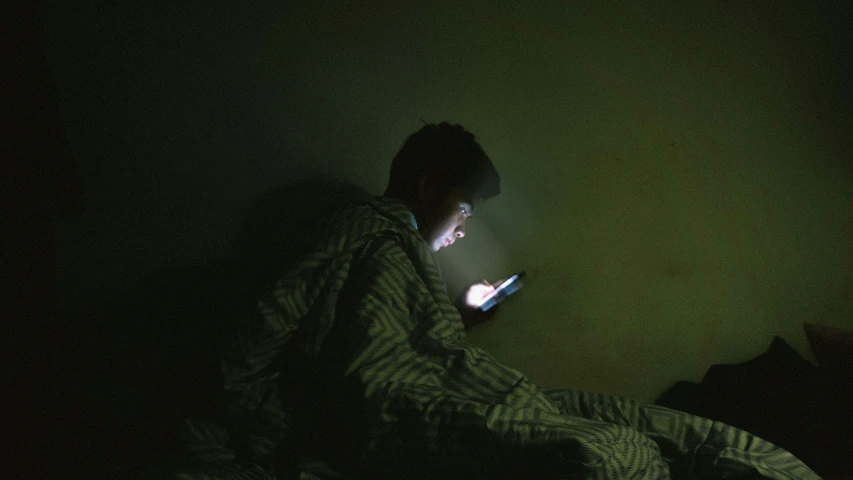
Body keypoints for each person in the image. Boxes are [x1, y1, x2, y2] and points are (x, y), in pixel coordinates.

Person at [174, 123, 819, 480]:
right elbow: (283, 327)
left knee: (629, 424)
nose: (460, 229)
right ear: (428, 186)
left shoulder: (401, 256)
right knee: (598, 455)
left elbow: (408, 338)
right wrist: (260, 433)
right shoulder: (363, 227)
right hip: (395, 411)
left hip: (442, 383)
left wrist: (456, 318)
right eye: (463, 208)